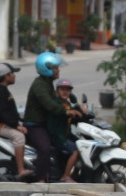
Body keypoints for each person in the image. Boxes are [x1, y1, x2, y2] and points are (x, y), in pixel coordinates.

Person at [22, 52, 83, 182]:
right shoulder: (39, 85)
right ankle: (41, 180)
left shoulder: (47, 83)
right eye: (55, 68)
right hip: (34, 125)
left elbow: (58, 102)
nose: (58, 70)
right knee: (45, 147)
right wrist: (66, 112)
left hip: (44, 124)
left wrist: (78, 109)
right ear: (46, 68)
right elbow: (49, 104)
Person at [0, 62, 32, 179]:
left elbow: (9, 112)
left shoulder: (2, 90)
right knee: (19, 137)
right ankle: (20, 170)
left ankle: (18, 162)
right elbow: (2, 112)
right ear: (6, 76)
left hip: (4, 123)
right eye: (12, 73)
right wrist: (16, 125)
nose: (14, 76)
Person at [49, 79, 81, 182]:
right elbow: (63, 113)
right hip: (57, 136)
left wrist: (80, 109)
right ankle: (66, 176)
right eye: (62, 89)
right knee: (75, 150)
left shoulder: (67, 104)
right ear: (57, 91)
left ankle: (75, 174)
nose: (65, 92)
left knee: (82, 146)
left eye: (68, 90)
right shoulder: (56, 104)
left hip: (66, 134)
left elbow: (72, 114)